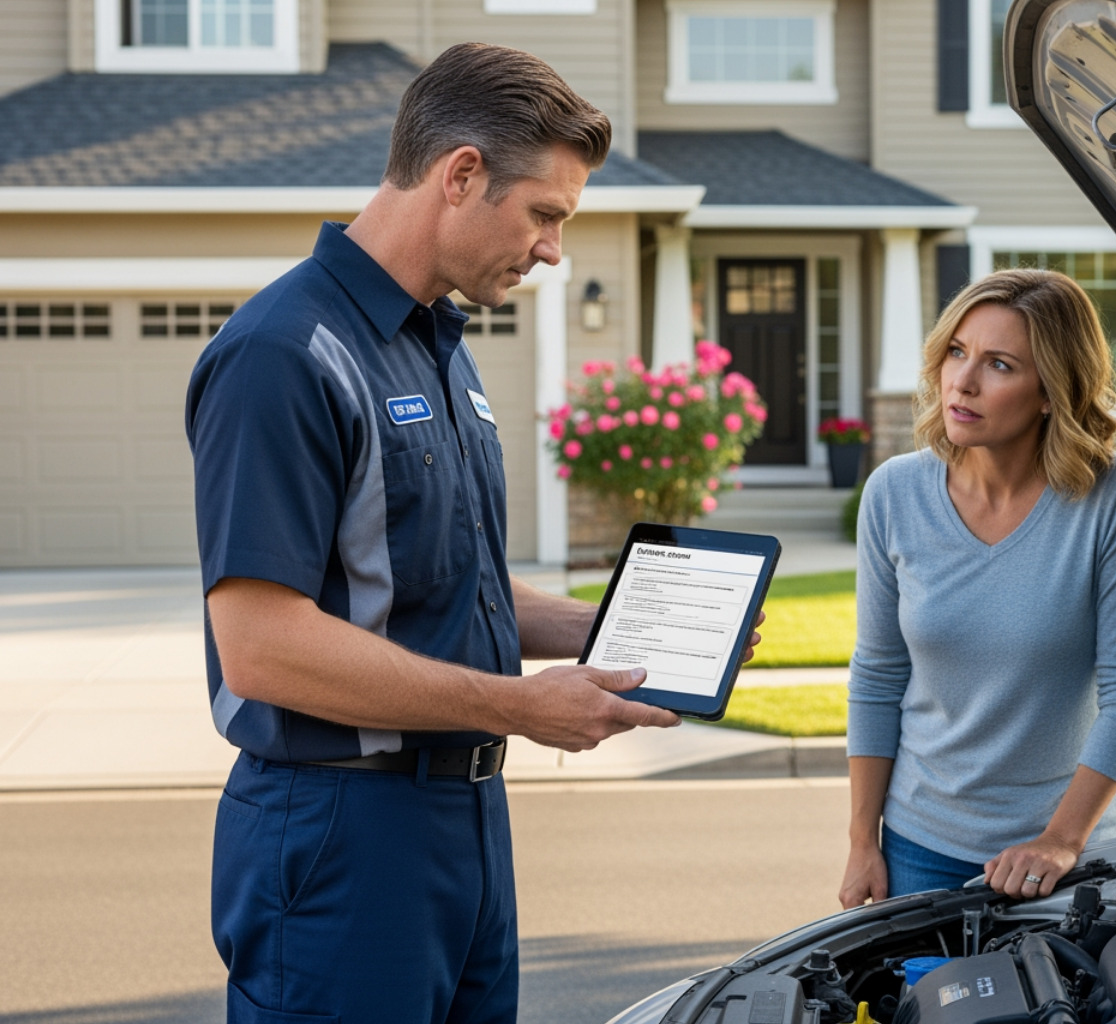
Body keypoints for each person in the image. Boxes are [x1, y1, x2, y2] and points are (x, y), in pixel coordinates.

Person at [185, 43, 749, 1023]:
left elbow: (449, 581)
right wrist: (516, 706)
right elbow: (262, 645)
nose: (552, 250)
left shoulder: (439, 350)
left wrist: (610, 631)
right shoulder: (283, 353)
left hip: (466, 821)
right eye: (546, 214)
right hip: (341, 831)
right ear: (461, 174)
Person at [837, 268, 1116, 908]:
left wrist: (1062, 840)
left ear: (1051, 390)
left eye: (999, 364)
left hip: (1066, 855)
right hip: (917, 844)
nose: (962, 381)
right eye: (957, 353)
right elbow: (877, 676)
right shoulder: (893, 493)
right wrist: (861, 841)